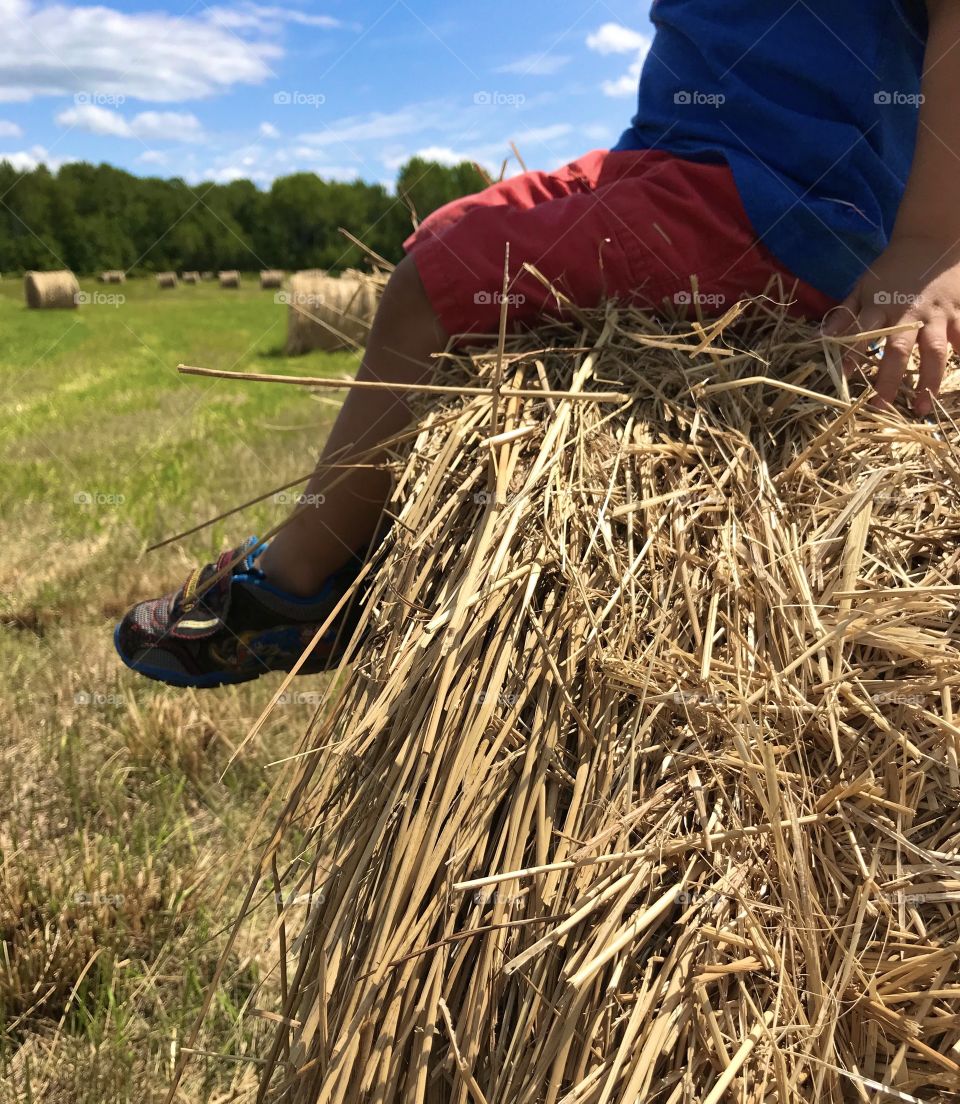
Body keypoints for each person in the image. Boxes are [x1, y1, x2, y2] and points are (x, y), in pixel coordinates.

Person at [115, 0, 953, 688]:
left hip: (778, 206)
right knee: (446, 232)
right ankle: (373, 531)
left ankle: (299, 586)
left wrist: (928, 246)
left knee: (431, 288)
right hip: (667, 158)